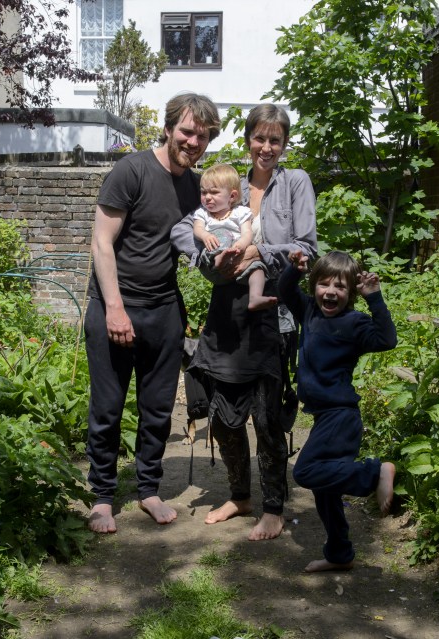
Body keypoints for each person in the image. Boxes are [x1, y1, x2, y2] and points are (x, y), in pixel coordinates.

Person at [171, 103, 317, 541]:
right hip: (225, 315)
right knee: (223, 415)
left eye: (276, 140)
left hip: (271, 309)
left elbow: (306, 246)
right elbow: (184, 226)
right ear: (249, 137)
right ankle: (240, 495)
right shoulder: (226, 183)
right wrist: (207, 256)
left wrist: (256, 253)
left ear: (285, 143)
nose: (266, 147)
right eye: (260, 137)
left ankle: (273, 505)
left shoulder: (295, 183)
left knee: (268, 415)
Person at [85, 92, 221, 534]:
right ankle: (102, 498)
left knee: (158, 408)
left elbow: (215, 230)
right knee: (107, 408)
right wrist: (115, 310)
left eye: (202, 135)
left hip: (163, 308)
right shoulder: (132, 170)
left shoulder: (194, 186)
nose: (193, 140)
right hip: (114, 306)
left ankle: (148, 490)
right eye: (186, 131)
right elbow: (101, 242)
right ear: (167, 128)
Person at [278, 249, 398, 572]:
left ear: (351, 294)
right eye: (324, 284)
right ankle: (339, 553)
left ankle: (375, 472)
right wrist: (295, 269)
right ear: (314, 285)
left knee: (304, 472)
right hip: (324, 417)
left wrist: (374, 298)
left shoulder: (355, 323)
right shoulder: (309, 312)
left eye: (341, 287)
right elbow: (285, 290)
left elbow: (387, 339)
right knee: (325, 488)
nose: (331, 292)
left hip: (341, 416)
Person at [192, 163, 276, 311]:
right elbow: (197, 229)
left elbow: (247, 233)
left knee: (258, 268)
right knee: (218, 240)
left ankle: (255, 296)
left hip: (238, 256)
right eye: (203, 192)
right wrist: (205, 235)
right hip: (215, 259)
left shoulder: (240, 212)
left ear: (232, 196)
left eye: (214, 192)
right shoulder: (203, 213)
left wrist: (241, 245)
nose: (207, 198)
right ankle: (220, 259)